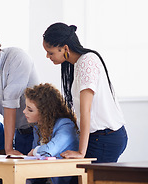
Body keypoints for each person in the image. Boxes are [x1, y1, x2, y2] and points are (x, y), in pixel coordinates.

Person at [42, 22, 127, 163]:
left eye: (50, 52)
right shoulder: (78, 64)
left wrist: (81, 152)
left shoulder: (87, 61)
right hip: (100, 137)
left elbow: (86, 111)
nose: (47, 56)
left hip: (104, 137)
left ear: (65, 48)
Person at [24, 83, 79, 184]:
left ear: (44, 112)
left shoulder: (65, 125)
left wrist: (35, 151)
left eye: (30, 109)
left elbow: (48, 151)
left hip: (60, 179)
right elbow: (35, 157)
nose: (24, 112)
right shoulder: (38, 127)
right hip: (42, 176)